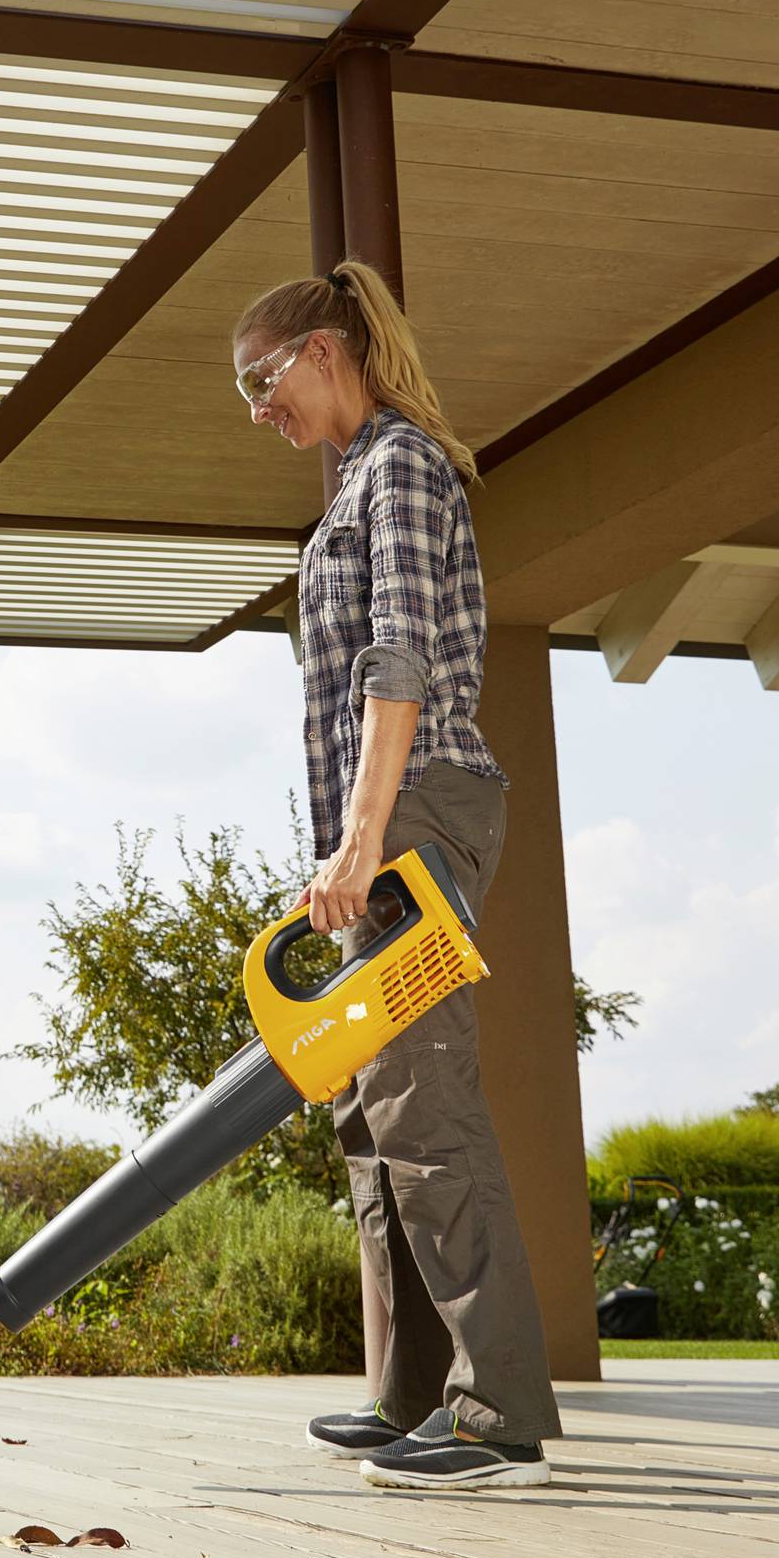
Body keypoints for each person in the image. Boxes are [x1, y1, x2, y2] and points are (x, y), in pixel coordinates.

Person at [233, 259, 561, 1491]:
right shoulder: (352, 487)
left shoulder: (403, 468)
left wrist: (367, 833)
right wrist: (346, 841)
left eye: (262, 381)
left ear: (324, 349)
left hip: (419, 808)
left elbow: (401, 658)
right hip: (379, 825)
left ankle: (498, 1415)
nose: (260, 409)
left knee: (425, 1104)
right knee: (371, 1114)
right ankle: (413, 1388)